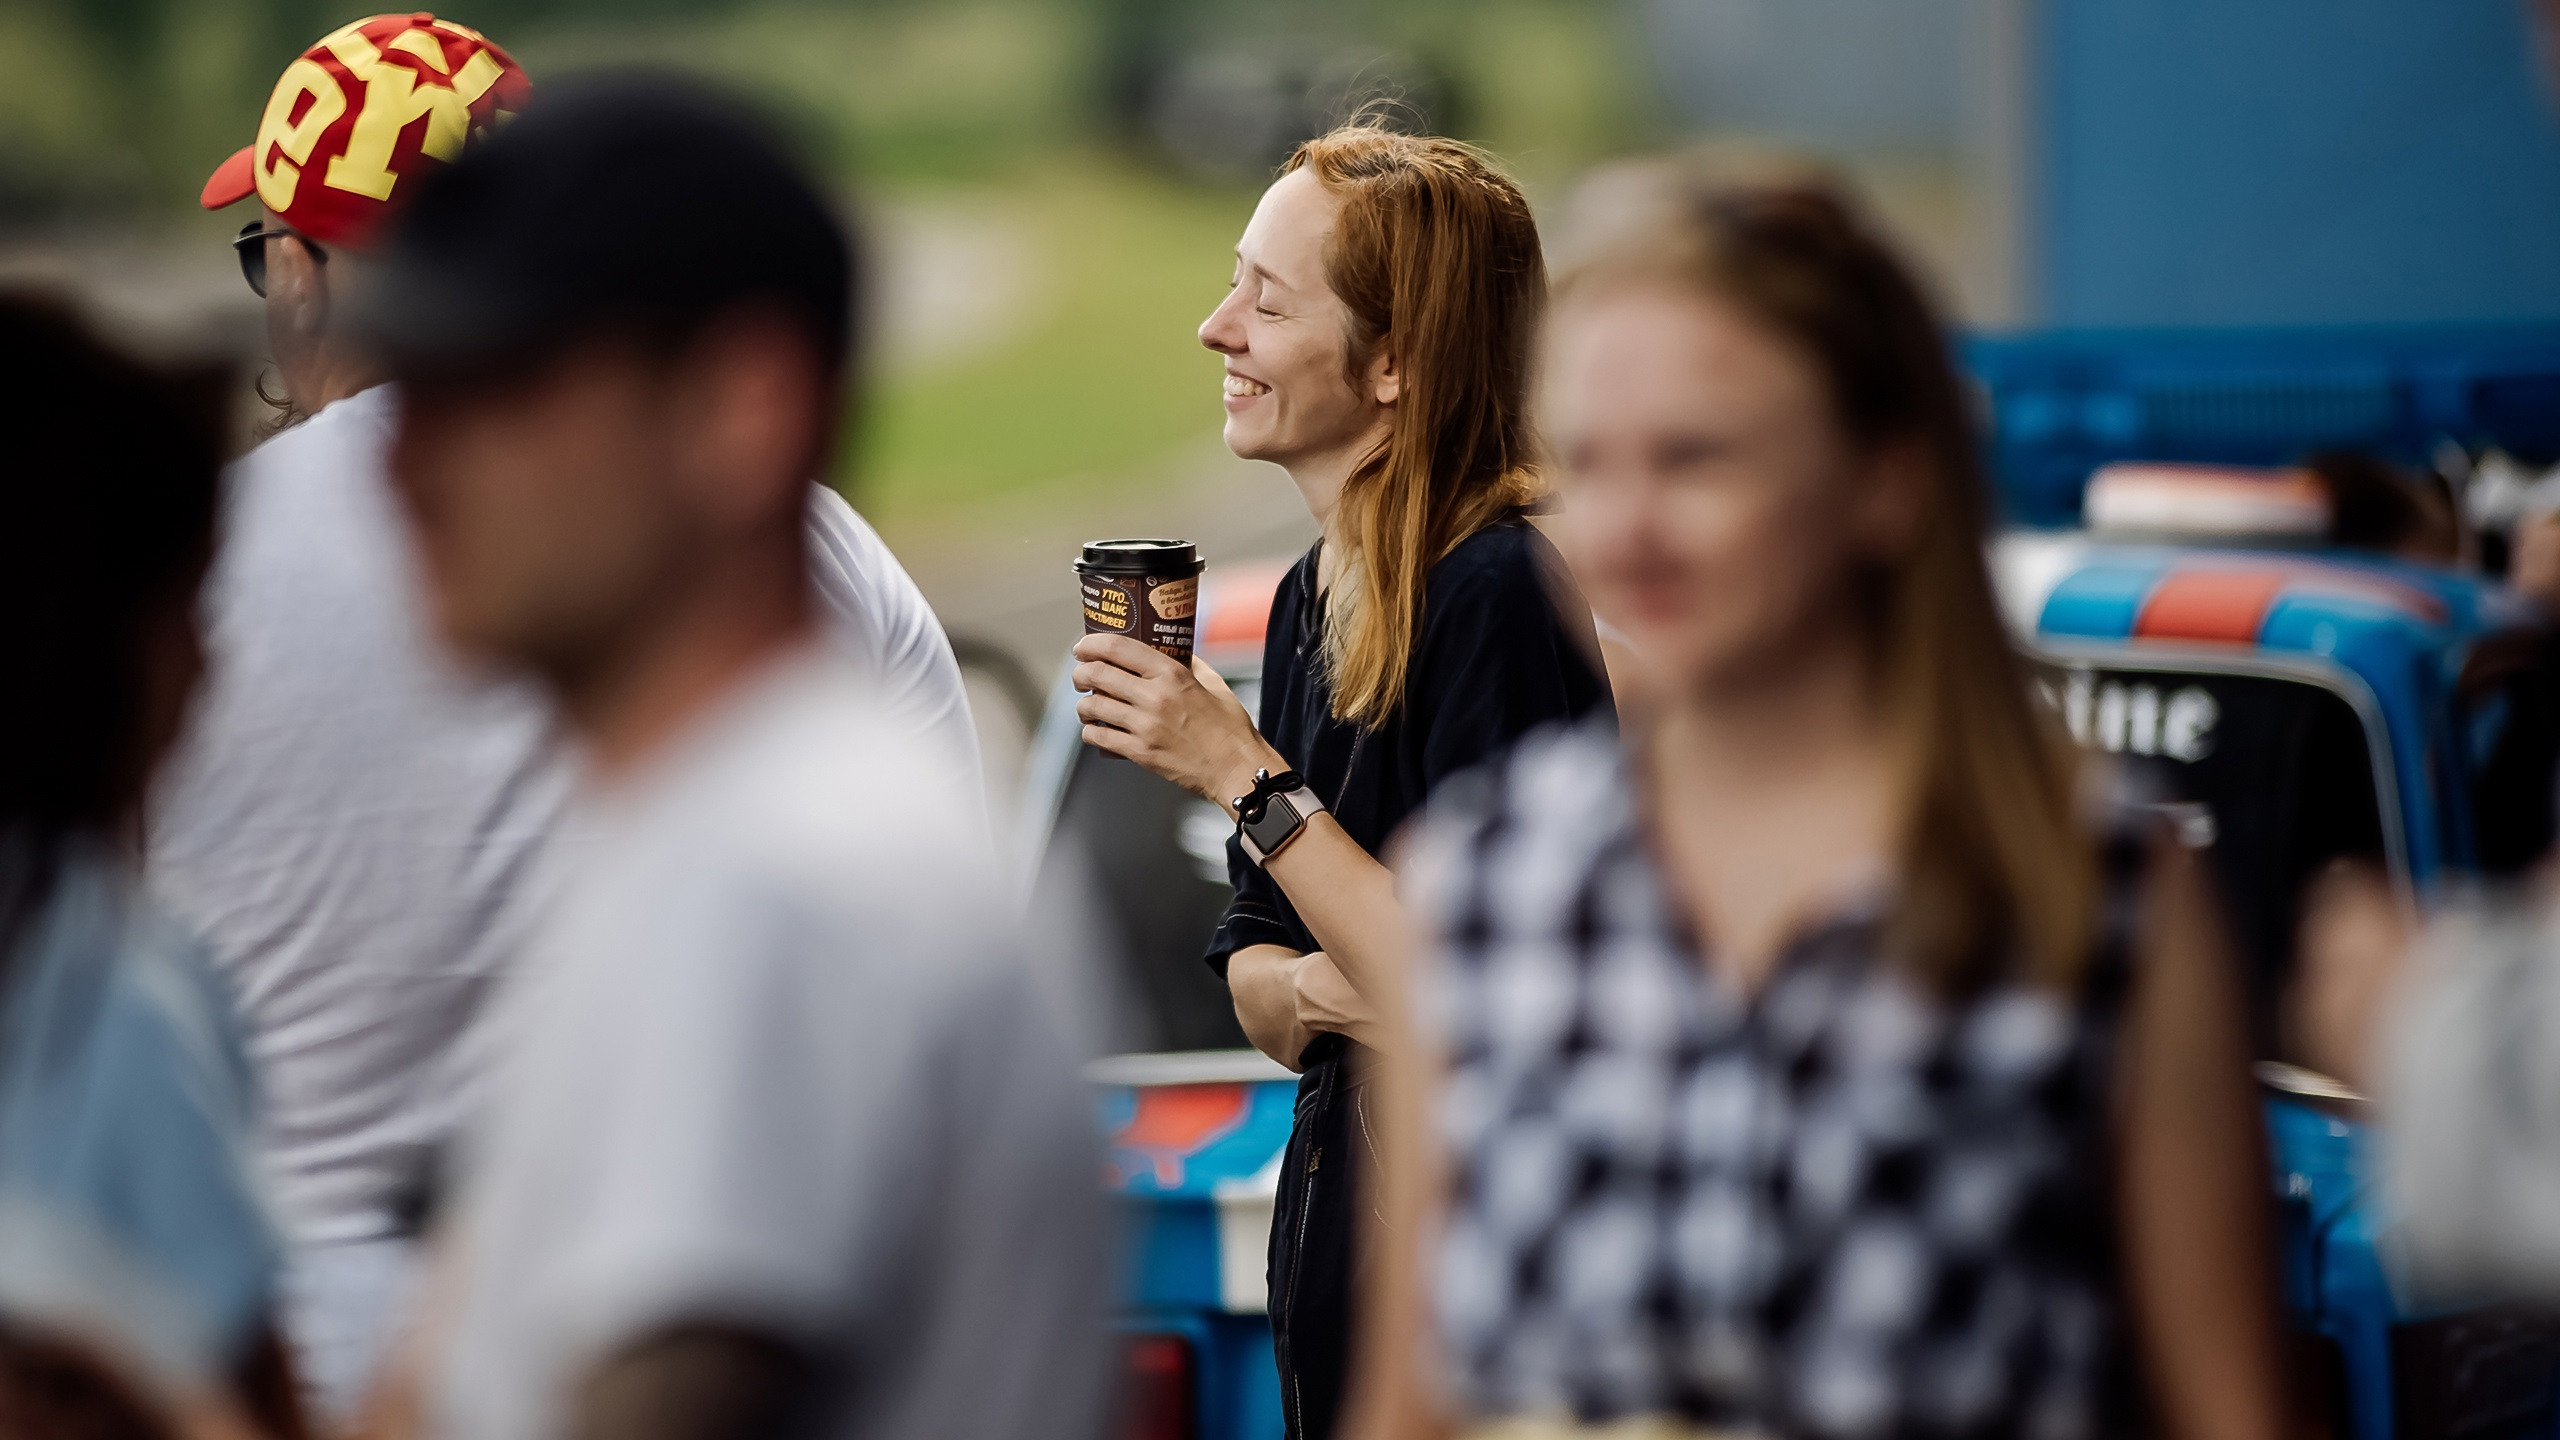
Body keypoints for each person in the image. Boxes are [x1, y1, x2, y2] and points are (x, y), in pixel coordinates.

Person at [1359, 168, 2285, 1440]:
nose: (1626, 530)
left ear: (1885, 481)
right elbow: (1404, 1413)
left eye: (1695, 459)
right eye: (1590, 463)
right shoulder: (1479, 884)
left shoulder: (2093, 886)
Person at [156, 15, 976, 1419]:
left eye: (267, 251)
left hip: (277, 1345)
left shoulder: (173, 577)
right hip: (710, 1311)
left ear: (303, 271)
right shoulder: (796, 546)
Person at [358, 76, 1107, 1440]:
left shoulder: (774, 875)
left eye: (496, 389)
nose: (399, 466)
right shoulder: (746, 824)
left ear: (741, 409)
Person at [1071, 122, 1612, 1440]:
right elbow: (1259, 985)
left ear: (1393, 363)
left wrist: (1240, 774)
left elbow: (1475, 989)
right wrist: (1337, 986)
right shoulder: (1313, 597)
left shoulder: (1499, 593)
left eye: (1267, 301)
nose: (1216, 329)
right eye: (1232, 285)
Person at [0, 296, 298, 1440]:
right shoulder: (115, 990)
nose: (209, 668)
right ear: (84, 646)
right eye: (184, 615)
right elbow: (250, 1394)